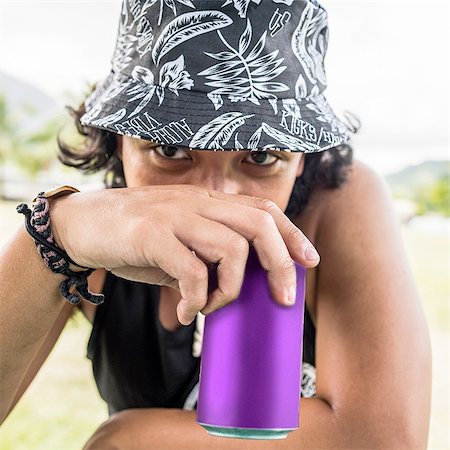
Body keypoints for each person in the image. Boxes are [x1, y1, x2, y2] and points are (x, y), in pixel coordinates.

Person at [0, 0, 432, 449]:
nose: (214, 200)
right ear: (117, 141)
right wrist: (57, 235)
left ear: (302, 158)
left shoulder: (336, 204)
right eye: (170, 150)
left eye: (261, 156)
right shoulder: (95, 241)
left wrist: (124, 438)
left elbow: (383, 438)